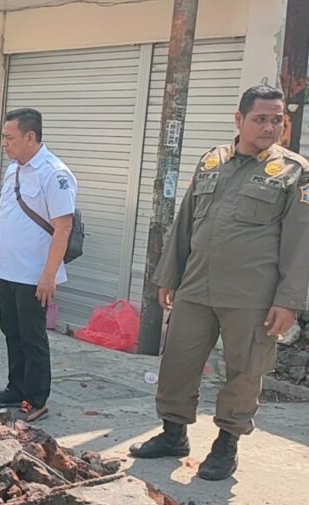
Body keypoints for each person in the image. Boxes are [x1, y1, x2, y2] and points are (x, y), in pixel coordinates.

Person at [129, 84, 309, 481]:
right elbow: (185, 222)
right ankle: (173, 434)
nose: (269, 127)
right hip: (196, 286)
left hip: (251, 295)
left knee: (244, 371)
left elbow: (301, 243)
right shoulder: (212, 161)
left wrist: (289, 301)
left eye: (276, 120)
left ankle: (226, 444)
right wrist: (169, 275)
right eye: (260, 119)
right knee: (178, 363)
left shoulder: (295, 172)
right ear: (239, 120)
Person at [0, 108, 77, 423]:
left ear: (30, 137)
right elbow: (5, 214)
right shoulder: (14, 170)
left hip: (34, 273)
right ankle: (15, 388)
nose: (4, 144)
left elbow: (63, 227)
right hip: (8, 268)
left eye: (9, 138)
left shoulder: (55, 173)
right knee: (11, 331)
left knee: (32, 337)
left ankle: (35, 399)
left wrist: (49, 275)